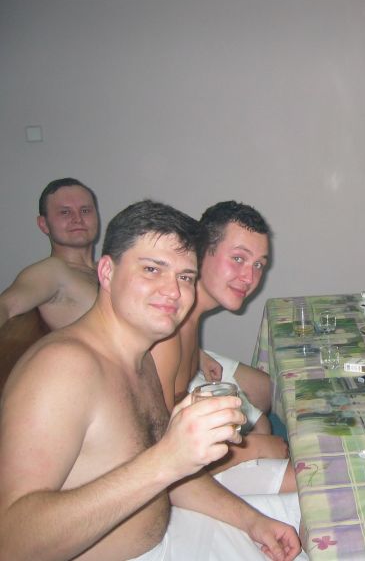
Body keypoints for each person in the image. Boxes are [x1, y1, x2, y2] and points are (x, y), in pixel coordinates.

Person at [0, 199, 302, 560]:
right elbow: (10, 543)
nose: (173, 291)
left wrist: (252, 521)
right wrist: (165, 460)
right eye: (152, 269)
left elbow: (173, 477)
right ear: (107, 272)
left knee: (323, 512)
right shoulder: (62, 369)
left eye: (184, 277)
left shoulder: (139, 358)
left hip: (173, 531)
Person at [152, 201, 295, 495]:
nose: (249, 278)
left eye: (258, 265)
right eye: (238, 259)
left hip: (194, 463)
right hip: (181, 488)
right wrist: (250, 449)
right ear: (201, 251)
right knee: (313, 484)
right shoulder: (166, 335)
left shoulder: (187, 319)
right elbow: (159, 460)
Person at [0, 178, 99, 330]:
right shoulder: (52, 271)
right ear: (44, 224)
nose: (78, 219)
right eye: (65, 212)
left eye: (85, 211)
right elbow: (5, 307)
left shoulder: (105, 269)